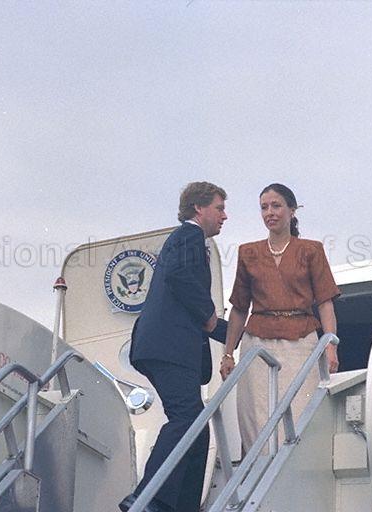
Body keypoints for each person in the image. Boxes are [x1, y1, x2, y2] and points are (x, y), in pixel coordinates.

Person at [120, 182, 229, 512]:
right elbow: (181, 278)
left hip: (167, 348)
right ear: (199, 209)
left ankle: (182, 505)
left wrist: (235, 334)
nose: (225, 215)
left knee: (199, 430)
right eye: (220, 208)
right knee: (187, 418)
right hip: (168, 348)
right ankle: (148, 496)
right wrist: (212, 321)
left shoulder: (191, 240)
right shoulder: (189, 236)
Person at [220, 183, 340, 455]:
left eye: (276, 206)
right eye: (264, 207)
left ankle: (294, 470)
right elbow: (239, 308)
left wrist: (331, 344)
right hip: (258, 343)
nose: (270, 212)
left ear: (292, 210)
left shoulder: (311, 250)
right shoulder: (248, 252)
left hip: (302, 340)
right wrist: (228, 353)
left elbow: (325, 301)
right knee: (258, 417)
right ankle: (261, 474)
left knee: (299, 412)